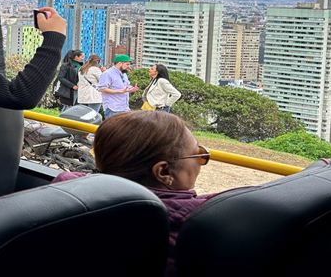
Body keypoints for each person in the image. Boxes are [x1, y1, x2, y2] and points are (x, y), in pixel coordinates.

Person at [58, 111, 233, 277]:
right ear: (163, 172)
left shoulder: (67, 192)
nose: (202, 160)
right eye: (199, 154)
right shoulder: (201, 225)